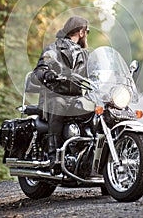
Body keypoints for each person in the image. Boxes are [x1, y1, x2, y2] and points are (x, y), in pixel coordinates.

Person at [31, 16, 91, 174]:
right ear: (81, 32)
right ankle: (54, 156)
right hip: (54, 97)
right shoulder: (54, 49)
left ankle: (89, 156)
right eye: (87, 32)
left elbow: (96, 72)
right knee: (59, 104)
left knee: (96, 107)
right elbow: (39, 70)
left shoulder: (85, 55)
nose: (87, 35)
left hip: (76, 98)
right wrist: (48, 74)